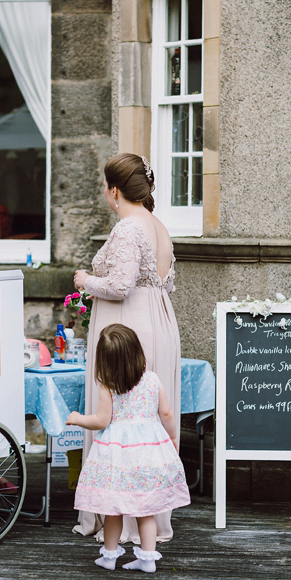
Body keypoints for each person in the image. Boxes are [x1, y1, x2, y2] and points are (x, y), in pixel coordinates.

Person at [72, 153, 182, 544]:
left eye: (106, 186)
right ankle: (149, 514)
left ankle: (121, 517)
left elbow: (120, 285)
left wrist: (85, 279)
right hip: (160, 322)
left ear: (114, 190)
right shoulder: (159, 226)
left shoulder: (128, 228)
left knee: (121, 416)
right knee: (145, 418)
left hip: (130, 324)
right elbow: (165, 284)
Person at [67, 324, 190, 573]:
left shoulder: (108, 385)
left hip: (117, 456)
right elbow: (165, 412)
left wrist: (78, 418)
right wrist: (173, 437)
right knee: (147, 511)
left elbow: (101, 421)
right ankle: (147, 560)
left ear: (105, 361)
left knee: (114, 510)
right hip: (147, 453)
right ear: (137, 352)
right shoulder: (152, 380)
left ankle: (110, 557)